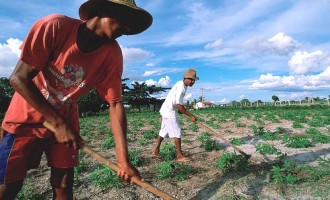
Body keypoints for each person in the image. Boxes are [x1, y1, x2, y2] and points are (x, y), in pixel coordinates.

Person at [0, 0, 152, 199]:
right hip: (24, 120)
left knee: (64, 185)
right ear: (103, 10)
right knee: (9, 185)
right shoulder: (55, 26)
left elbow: (115, 103)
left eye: (131, 24)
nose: (127, 28)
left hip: (66, 122)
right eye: (124, 19)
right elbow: (18, 78)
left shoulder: (112, 54)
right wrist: (57, 122)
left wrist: (123, 161)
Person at [153, 68, 199, 162]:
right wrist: (190, 116)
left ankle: (156, 149)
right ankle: (179, 156)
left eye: (193, 80)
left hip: (166, 109)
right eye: (191, 80)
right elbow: (178, 104)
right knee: (177, 132)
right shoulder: (181, 86)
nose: (192, 82)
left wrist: (182, 111)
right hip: (169, 111)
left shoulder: (181, 85)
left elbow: (177, 103)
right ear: (186, 78)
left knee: (163, 131)